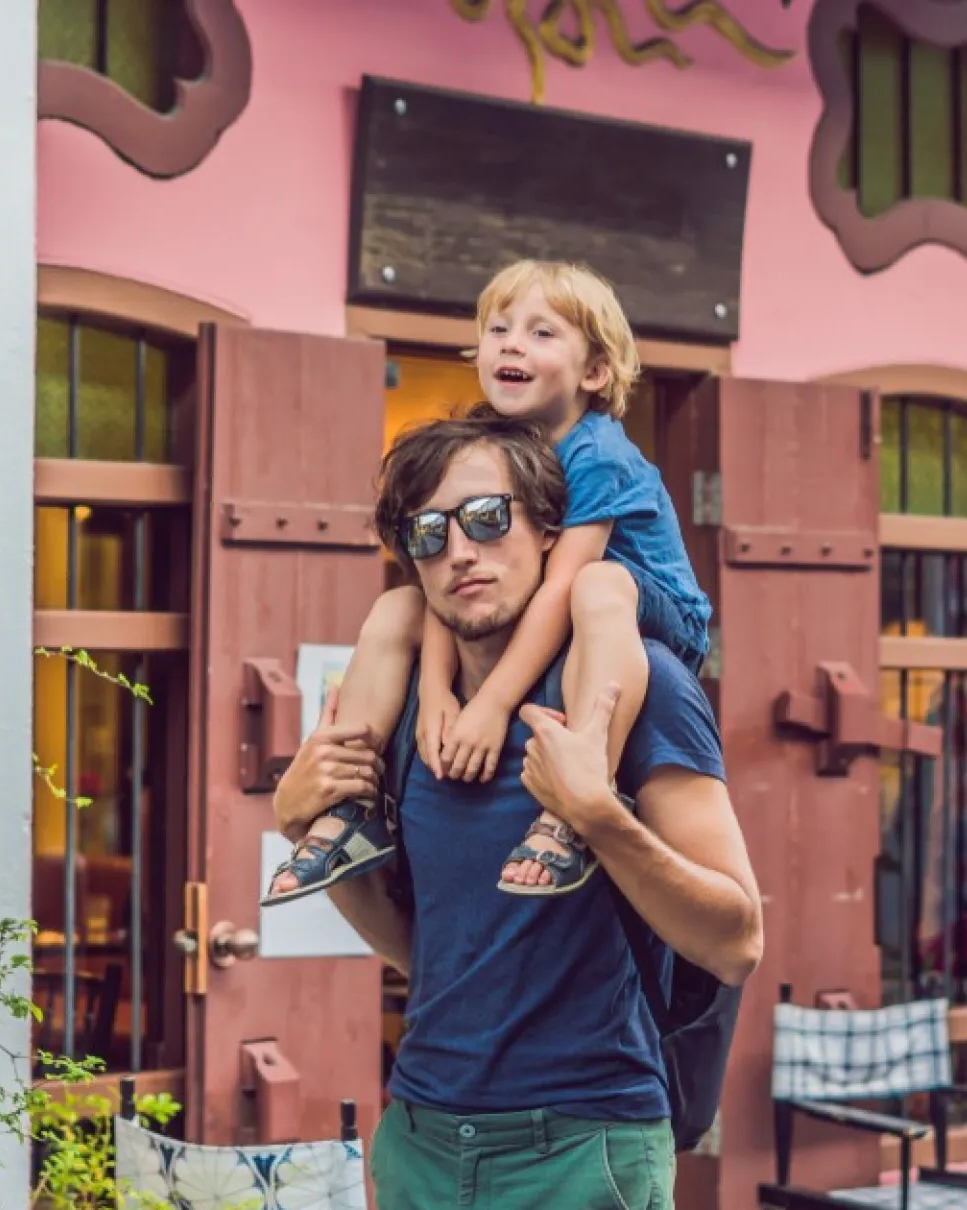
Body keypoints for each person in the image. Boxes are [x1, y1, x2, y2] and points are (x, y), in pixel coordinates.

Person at [271, 413, 761, 1210]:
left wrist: (599, 815)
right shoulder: (404, 716)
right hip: (422, 1142)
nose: (461, 550)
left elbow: (736, 939)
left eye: (488, 518)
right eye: (430, 533)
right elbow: (426, 952)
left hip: (582, 1156)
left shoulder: (634, 686)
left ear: (546, 530)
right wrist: (302, 824)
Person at [262, 258, 711, 906]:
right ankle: (352, 803)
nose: (512, 343)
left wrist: (491, 704)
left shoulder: (599, 454)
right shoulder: (497, 443)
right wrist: (439, 689)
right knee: (398, 605)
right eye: (499, 329)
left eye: (541, 333)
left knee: (597, 585)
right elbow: (452, 577)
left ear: (594, 372)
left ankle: (583, 792)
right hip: (572, 601)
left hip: (647, 608)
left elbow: (559, 588)